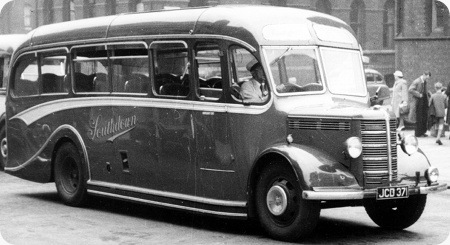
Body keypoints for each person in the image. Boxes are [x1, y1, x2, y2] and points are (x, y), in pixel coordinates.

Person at [408, 71, 431, 137]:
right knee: (419, 117)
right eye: (426, 77)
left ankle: (423, 131)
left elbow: (426, 91)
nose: (427, 79)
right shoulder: (416, 81)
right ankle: (418, 133)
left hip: (424, 101)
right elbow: (410, 90)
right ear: (424, 75)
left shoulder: (424, 82)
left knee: (424, 117)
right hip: (418, 101)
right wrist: (418, 94)